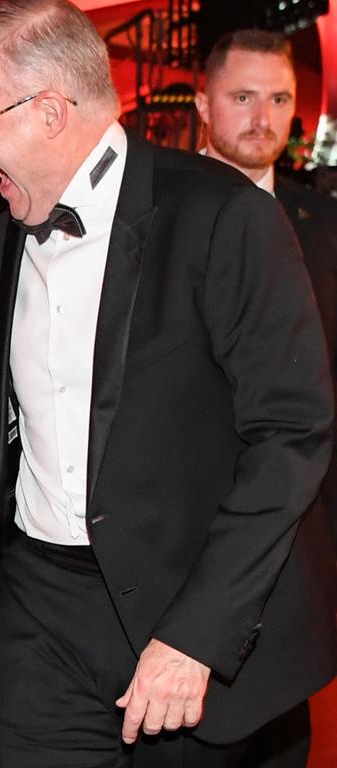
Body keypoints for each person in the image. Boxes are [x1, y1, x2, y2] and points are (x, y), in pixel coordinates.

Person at [0, 1, 336, 766]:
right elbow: (11, 423)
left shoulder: (223, 219)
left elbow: (290, 436)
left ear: (49, 111)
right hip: (39, 622)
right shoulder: (5, 231)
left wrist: (198, 634)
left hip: (189, 613)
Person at [196, 29, 337, 556]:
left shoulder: (326, 225)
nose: (263, 119)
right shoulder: (148, 216)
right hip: (180, 518)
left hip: (303, 524)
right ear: (203, 104)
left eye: (279, 99)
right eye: (242, 98)